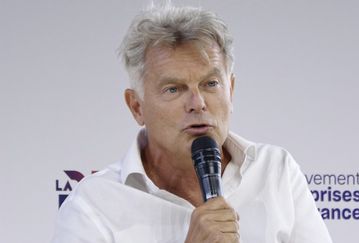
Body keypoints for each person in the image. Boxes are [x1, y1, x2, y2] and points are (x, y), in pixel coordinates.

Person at [51, 5, 332, 243]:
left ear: (230, 91)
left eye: (210, 84)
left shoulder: (276, 171)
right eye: (173, 89)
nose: (197, 102)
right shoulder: (93, 205)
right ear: (136, 107)